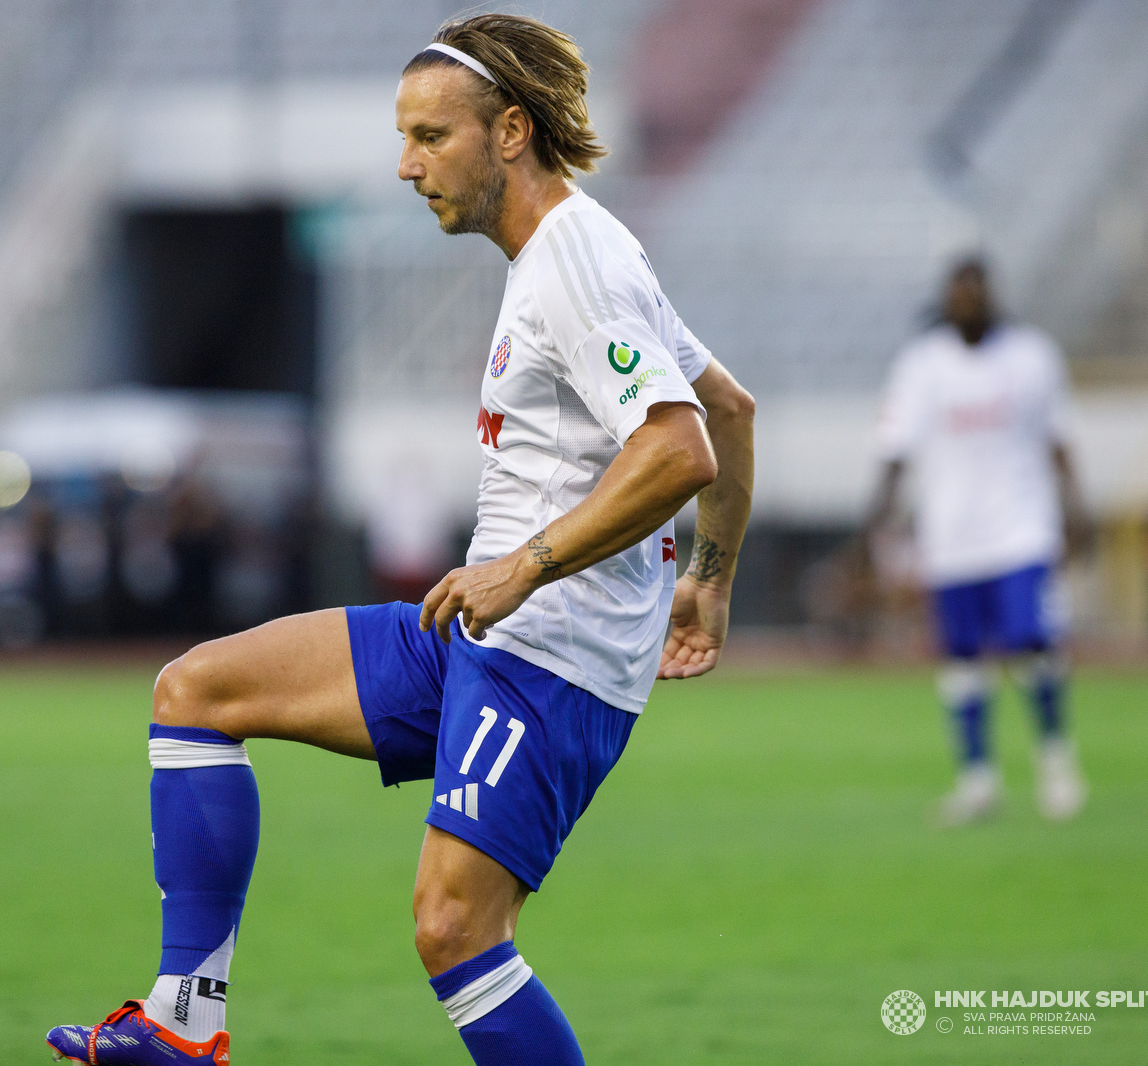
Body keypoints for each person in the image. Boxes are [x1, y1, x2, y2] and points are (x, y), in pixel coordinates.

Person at [44, 14, 756, 1066]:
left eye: (430, 136)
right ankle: (183, 1022)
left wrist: (524, 565)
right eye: (404, 136)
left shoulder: (574, 259)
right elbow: (730, 409)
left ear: (509, 130)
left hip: (551, 659)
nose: (404, 163)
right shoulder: (571, 250)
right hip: (485, 631)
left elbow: (680, 447)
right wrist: (709, 578)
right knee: (195, 691)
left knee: (454, 929)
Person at [867, 257, 1088, 827]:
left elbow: (1058, 439)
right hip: (950, 539)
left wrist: (1076, 510)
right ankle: (978, 779)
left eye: (975, 292)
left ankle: (1055, 760)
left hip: (1020, 531)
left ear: (991, 295)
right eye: (957, 293)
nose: (966, 302)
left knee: (1029, 642)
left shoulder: (1031, 356)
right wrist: (878, 519)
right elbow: (896, 450)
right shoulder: (921, 365)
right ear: (945, 300)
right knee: (962, 661)